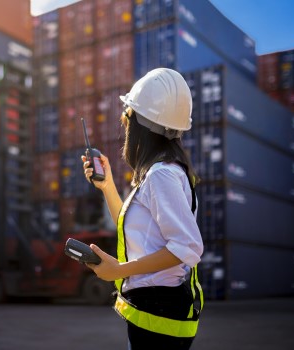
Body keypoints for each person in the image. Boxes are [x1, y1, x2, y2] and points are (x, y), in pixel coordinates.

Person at [81, 68, 204, 349]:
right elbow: (136, 234)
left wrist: (120, 269)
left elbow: (187, 247)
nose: (124, 123)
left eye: (127, 116)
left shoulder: (161, 175)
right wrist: (107, 186)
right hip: (155, 310)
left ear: (139, 124)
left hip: (157, 311)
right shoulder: (164, 173)